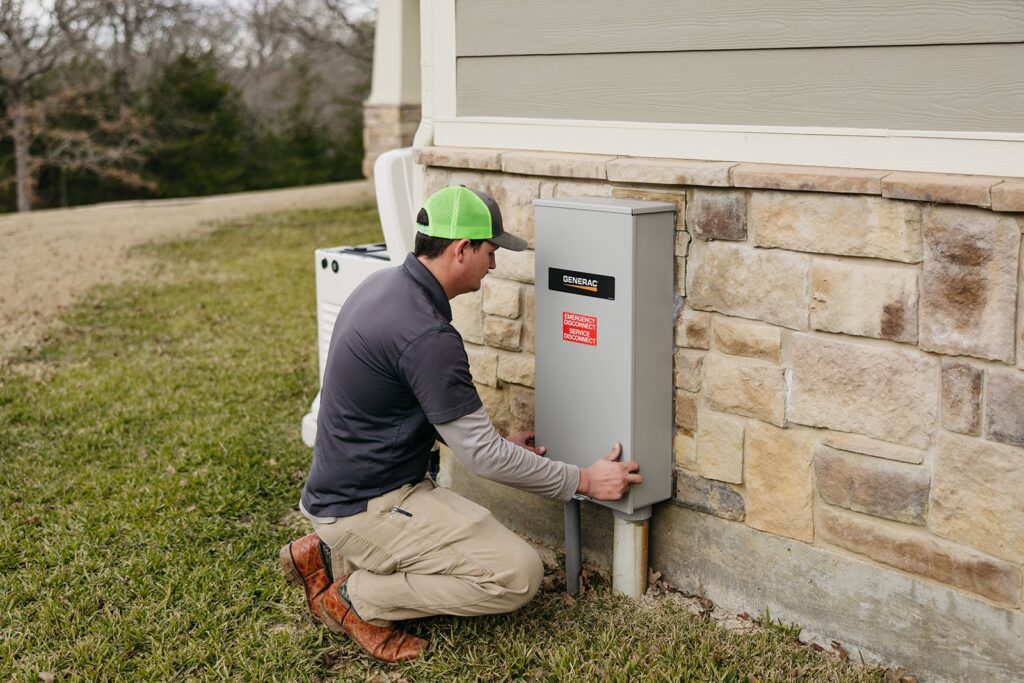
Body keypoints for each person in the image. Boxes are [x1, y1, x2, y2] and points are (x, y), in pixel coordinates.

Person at [279, 185, 641, 662]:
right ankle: (358, 597)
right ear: (461, 249)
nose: (493, 265)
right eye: (490, 251)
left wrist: (496, 442)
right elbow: (482, 456)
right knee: (517, 575)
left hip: (353, 489)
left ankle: (325, 554)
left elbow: (417, 414)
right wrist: (586, 480)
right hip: (368, 504)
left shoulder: (386, 288)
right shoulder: (426, 333)